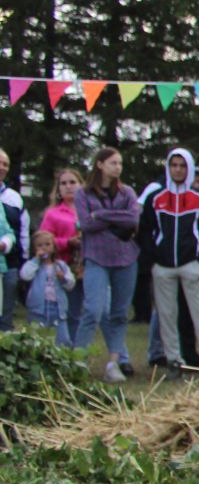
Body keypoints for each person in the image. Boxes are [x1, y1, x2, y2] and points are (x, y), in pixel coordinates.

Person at [138, 149, 199, 378]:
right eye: (174, 165)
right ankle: (174, 361)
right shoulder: (156, 199)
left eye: (182, 166)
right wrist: (154, 257)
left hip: (192, 264)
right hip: (163, 266)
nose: (178, 170)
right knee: (167, 315)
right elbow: (145, 230)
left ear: (189, 168)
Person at [72, 148, 142, 382]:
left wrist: (100, 215)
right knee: (93, 309)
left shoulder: (127, 192)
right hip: (96, 257)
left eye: (120, 163)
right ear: (100, 164)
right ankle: (78, 360)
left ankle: (114, 362)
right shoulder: (83, 194)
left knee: (120, 313)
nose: (118, 167)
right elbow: (85, 225)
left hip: (126, 258)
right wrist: (111, 217)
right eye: (113, 163)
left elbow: (132, 219)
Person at [41, 168, 85, 347]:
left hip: (91, 264)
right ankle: (70, 348)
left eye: (72, 182)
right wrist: (68, 242)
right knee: (71, 311)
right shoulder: (53, 213)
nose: (68, 187)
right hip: (66, 267)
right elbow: (43, 241)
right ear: (58, 189)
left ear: (81, 185)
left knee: (99, 311)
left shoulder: (89, 209)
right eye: (63, 183)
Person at [19, 230, 75, 333]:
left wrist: (63, 279)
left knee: (62, 340)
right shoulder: (34, 265)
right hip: (38, 309)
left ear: (54, 247)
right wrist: (36, 260)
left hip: (58, 309)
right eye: (39, 245)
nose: (44, 248)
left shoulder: (61, 265)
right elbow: (25, 275)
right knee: (36, 338)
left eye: (48, 244)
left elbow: (71, 285)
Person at [0, 148, 29, 331]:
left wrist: (22, 260)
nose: (2, 167)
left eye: (5, 164)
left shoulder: (14, 198)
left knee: (6, 312)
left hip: (9, 263)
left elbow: (21, 232)